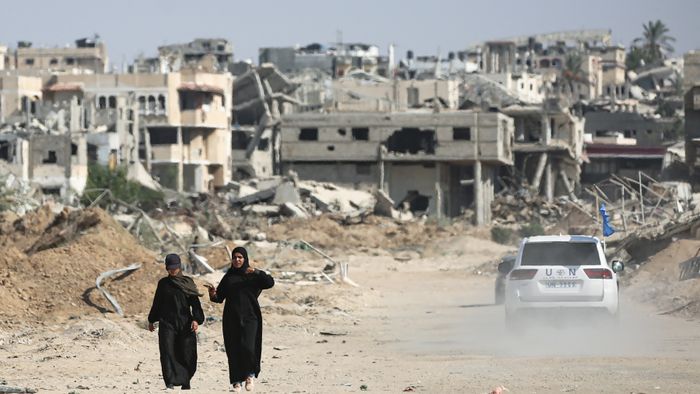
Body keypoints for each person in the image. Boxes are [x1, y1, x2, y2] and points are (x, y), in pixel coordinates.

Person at [208, 246, 275, 392]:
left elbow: (270, 282)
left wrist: (256, 272)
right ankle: (236, 382)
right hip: (232, 318)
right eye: (234, 257)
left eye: (240, 257)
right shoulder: (229, 277)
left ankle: (249, 376)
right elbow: (219, 298)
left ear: (245, 259)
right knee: (233, 349)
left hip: (251, 317)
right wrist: (213, 294)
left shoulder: (253, 275)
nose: (237, 260)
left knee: (248, 347)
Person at [148, 254, 204, 390]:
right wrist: (151, 320)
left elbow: (195, 304)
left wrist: (196, 319)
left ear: (180, 266)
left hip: (185, 323)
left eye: (175, 267)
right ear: (166, 268)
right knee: (167, 351)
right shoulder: (163, 283)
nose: (173, 270)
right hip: (167, 323)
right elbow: (157, 303)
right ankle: (170, 382)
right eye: (170, 268)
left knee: (187, 352)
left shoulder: (188, 282)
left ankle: (185, 380)